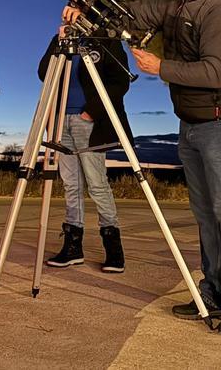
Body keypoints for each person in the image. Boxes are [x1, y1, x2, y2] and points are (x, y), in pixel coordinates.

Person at [63, 0, 221, 336]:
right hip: (193, 123)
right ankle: (213, 291)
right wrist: (85, 10)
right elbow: (127, 16)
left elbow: (215, 73)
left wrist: (161, 66)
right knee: (207, 216)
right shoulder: (177, 3)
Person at [37, 24, 132, 273]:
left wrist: (92, 111)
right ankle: (72, 247)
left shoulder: (104, 38)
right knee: (71, 184)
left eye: (75, 8)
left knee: (97, 184)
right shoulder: (60, 38)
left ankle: (113, 250)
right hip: (60, 120)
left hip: (88, 120)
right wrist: (58, 40)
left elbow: (119, 81)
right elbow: (44, 73)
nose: (69, 13)